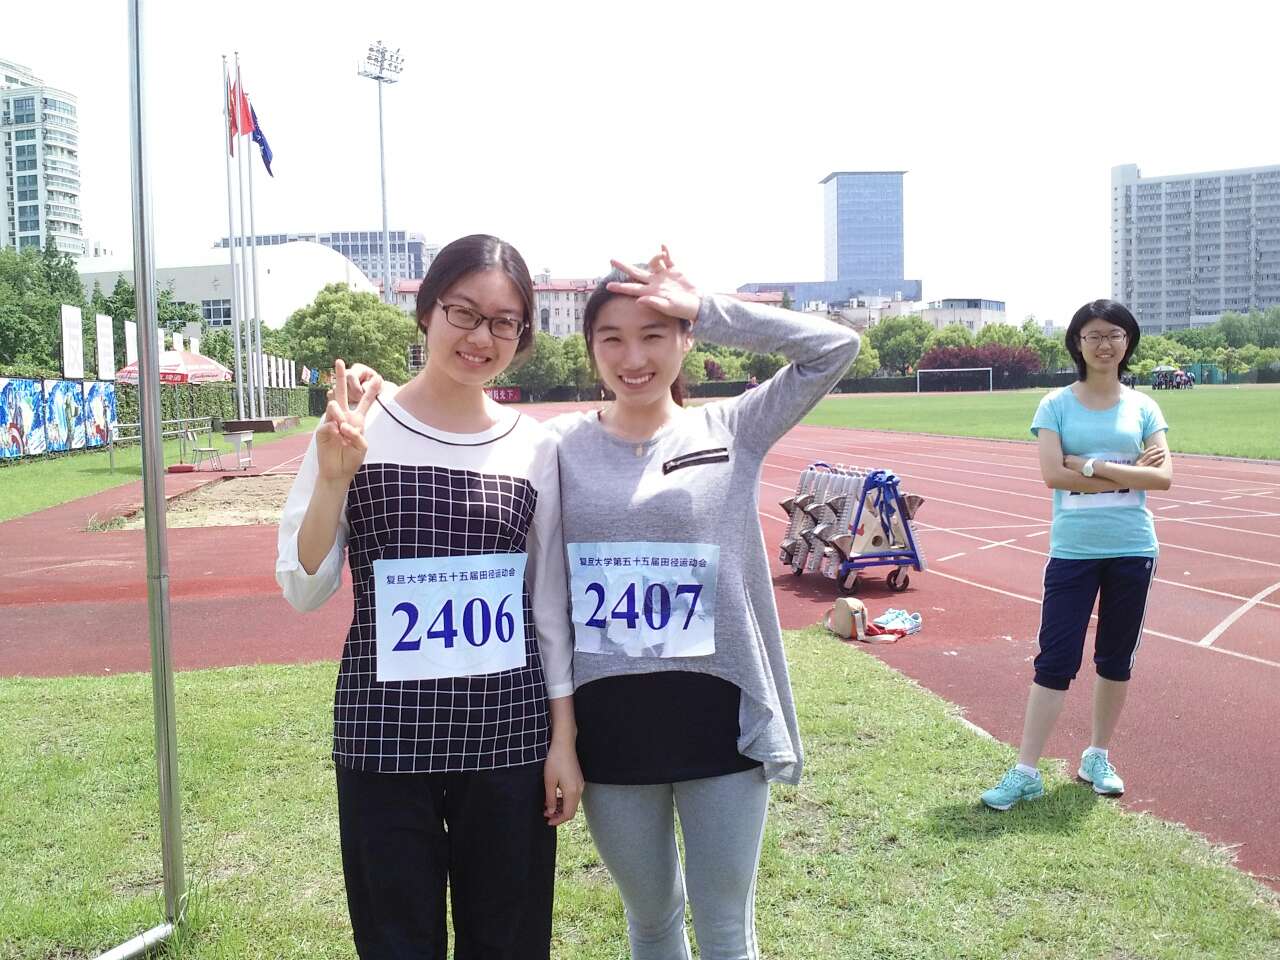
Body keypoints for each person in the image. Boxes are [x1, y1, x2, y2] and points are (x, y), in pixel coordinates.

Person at [275, 234, 582, 960]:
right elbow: (303, 585)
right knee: (395, 942)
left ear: (522, 335)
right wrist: (334, 479)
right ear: (426, 312)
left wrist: (564, 741)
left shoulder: (534, 448)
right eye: (463, 312)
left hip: (507, 738)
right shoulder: (357, 425)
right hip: (384, 738)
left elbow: (547, 608)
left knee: (507, 942)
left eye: (503, 322)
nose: (480, 337)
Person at [557, 248, 858, 959]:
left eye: (654, 334)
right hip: (608, 723)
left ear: (686, 339)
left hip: (719, 713)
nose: (634, 357)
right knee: (651, 921)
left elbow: (835, 348)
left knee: (726, 927)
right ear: (591, 346)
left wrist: (705, 306)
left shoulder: (732, 429)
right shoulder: (559, 445)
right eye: (612, 338)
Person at [981, 299, 1172, 811]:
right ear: (1078, 344)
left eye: (1114, 334)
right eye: (1094, 336)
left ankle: (1097, 756)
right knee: (1056, 658)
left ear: (1128, 342)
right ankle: (1026, 770)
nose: (1104, 344)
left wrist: (1088, 466)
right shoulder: (1055, 405)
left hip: (1132, 548)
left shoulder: (1144, 407)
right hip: (1073, 551)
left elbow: (1162, 478)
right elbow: (1052, 474)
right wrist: (1127, 470)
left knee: (1116, 658)